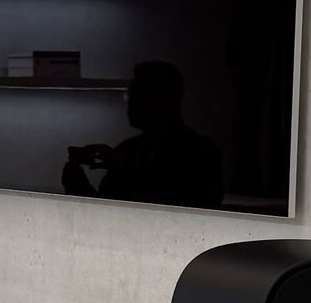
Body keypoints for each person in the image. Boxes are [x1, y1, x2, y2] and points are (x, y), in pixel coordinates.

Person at [61, 60, 224, 208]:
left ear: (165, 98)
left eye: (138, 93)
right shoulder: (126, 150)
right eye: (130, 94)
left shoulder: (201, 154)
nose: (130, 101)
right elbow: (110, 212)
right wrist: (79, 188)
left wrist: (121, 171)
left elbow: (189, 212)